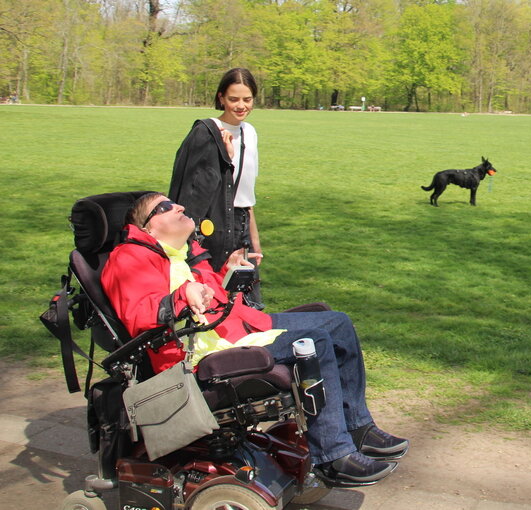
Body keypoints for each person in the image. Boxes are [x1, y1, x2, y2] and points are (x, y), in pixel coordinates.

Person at [101, 192, 408, 486]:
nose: (179, 206)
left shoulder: (185, 252)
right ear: (147, 226)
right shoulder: (129, 257)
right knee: (315, 342)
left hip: (234, 327)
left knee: (337, 323)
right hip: (198, 355)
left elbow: (214, 298)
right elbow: (139, 312)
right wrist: (182, 295)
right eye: (165, 206)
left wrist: (230, 269)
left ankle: (358, 428)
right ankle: (334, 455)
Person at [169, 68, 264, 308]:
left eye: (247, 99)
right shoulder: (207, 132)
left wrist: (254, 241)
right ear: (221, 97)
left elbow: (246, 195)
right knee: (215, 298)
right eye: (233, 99)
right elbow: (194, 191)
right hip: (214, 227)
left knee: (246, 301)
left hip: (241, 224)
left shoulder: (250, 133)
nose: (241, 105)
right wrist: (225, 159)